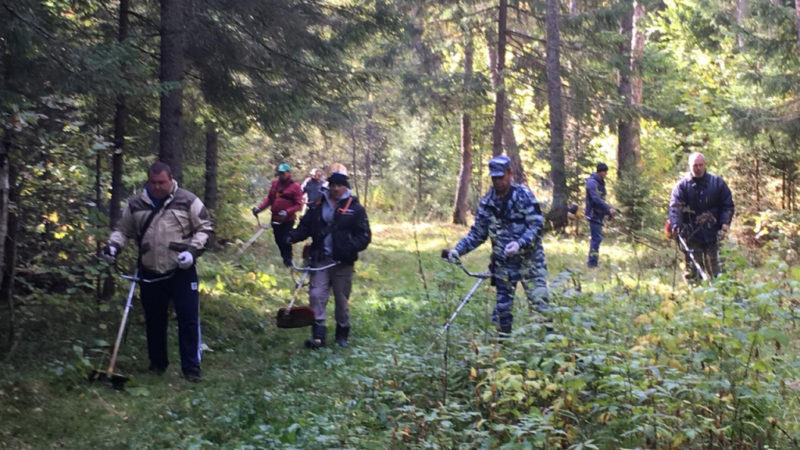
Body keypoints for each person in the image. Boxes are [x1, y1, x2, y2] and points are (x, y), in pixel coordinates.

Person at [100, 161, 214, 382]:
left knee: (188, 318)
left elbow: (205, 228)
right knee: (154, 319)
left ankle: (191, 368)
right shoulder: (135, 204)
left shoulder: (188, 200)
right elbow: (123, 231)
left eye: (161, 182)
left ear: (171, 179)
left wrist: (192, 251)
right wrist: (113, 247)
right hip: (150, 270)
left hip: (182, 269)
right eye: (153, 183)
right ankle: (157, 364)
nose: (157, 187)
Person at [443, 155, 549, 336]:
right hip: (504, 265)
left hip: (530, 261)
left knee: (540, 306)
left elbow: (537, 226)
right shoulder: (487, 203)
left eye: (501, 177)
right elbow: (477, 234)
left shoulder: (523, 195)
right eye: (494, 178)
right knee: (502, 313)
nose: (498, 181)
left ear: (510, 174)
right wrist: (457, 251)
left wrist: (520, 243)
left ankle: (547, 348)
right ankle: (502, 351)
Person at [288, 170, 371, 348]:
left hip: (343, 262)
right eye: (332, 185)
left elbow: (364, 236)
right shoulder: (317, 204)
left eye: (339, 185)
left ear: (345, 187)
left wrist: (349, 246)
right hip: (320, 259)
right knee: (316, 295)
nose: (335, 188)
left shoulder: (355, 208)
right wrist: (291, 237)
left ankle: (342, 334)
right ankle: (318, 337)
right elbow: (305, 227)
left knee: (341, 301)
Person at [668, 152, 734, 281]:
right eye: (695, 165)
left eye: (700, 165)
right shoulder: (682, 186)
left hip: (714, 232)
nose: (698, 168)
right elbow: (675, 207)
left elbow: (727, 204)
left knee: (717, 268)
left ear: (705, 165)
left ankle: (721, 293)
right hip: (691, 233)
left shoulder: (717, 183)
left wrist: (725, 222)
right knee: (693, 269)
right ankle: (695, 296)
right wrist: (676, 224)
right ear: (689, 166)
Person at [252, 163, 303, 267]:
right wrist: (259, 208)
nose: (281, 175)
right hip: (275, 218)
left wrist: (287, 211)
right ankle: (285, 258)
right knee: (278, 240)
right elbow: (269, 199)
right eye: (280, 173)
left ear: (289, 173)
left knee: (285, 240)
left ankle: (289, 261)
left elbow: (298, 205)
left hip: (288, 219)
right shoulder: (275, 184)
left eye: (283, 173)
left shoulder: (295, 187)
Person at [584, 162, 616, 268]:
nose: (606, 174)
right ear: (600, 172)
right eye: (605, 172)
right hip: (593, 214)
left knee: (597, 238)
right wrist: (608, 209)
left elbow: (601, 199)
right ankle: (592, 263)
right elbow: (595, 199)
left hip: (598, 214)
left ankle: (593, 262)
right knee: (596, 239)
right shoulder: (592, 183)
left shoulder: (600, 182)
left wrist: (608, 211)